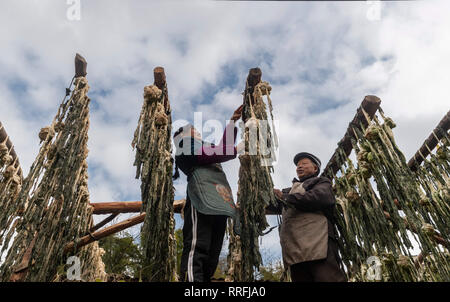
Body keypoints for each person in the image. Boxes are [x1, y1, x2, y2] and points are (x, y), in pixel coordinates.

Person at [173, 105, 244, 282]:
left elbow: (222, 148)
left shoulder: (203, 146)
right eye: (193, 130)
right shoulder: (184, 145)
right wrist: (238, 149)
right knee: (198, 247)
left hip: (219, 200)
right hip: (202, 197)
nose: (197, 131)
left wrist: (233, 122)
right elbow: (214, 153)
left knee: (213, 252)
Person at [273, 152, 347, 282]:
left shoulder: (321, 182)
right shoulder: (288, 190)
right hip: (294, 247)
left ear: (315, 168)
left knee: (327, 278)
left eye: (304, 164)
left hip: (317, 242)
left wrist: (285, 198)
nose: (299, 167)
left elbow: (322, 197)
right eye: (298, 165)